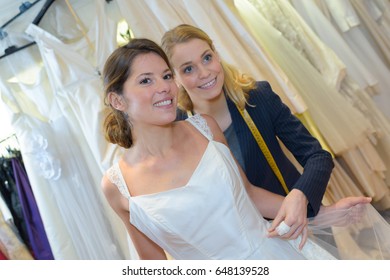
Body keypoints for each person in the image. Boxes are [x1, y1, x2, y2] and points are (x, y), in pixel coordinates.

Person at [100, 38, 389, 260]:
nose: (164, 87)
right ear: (118, 100)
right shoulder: (117, 187)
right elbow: (153, 264)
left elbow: (248, 195)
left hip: (280, 257)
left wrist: (321, 213)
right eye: (146, 80)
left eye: (165, 76)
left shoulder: (205, 128)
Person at [161, 24, 334, 238]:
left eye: (207, 58)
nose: (204, 72)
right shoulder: (175, 129)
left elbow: (318, 156)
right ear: (174, 78)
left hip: (299, 226)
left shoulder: (257, 98)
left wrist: (300, 196)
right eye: (188, 69)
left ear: (216, 54)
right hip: (239, 245)